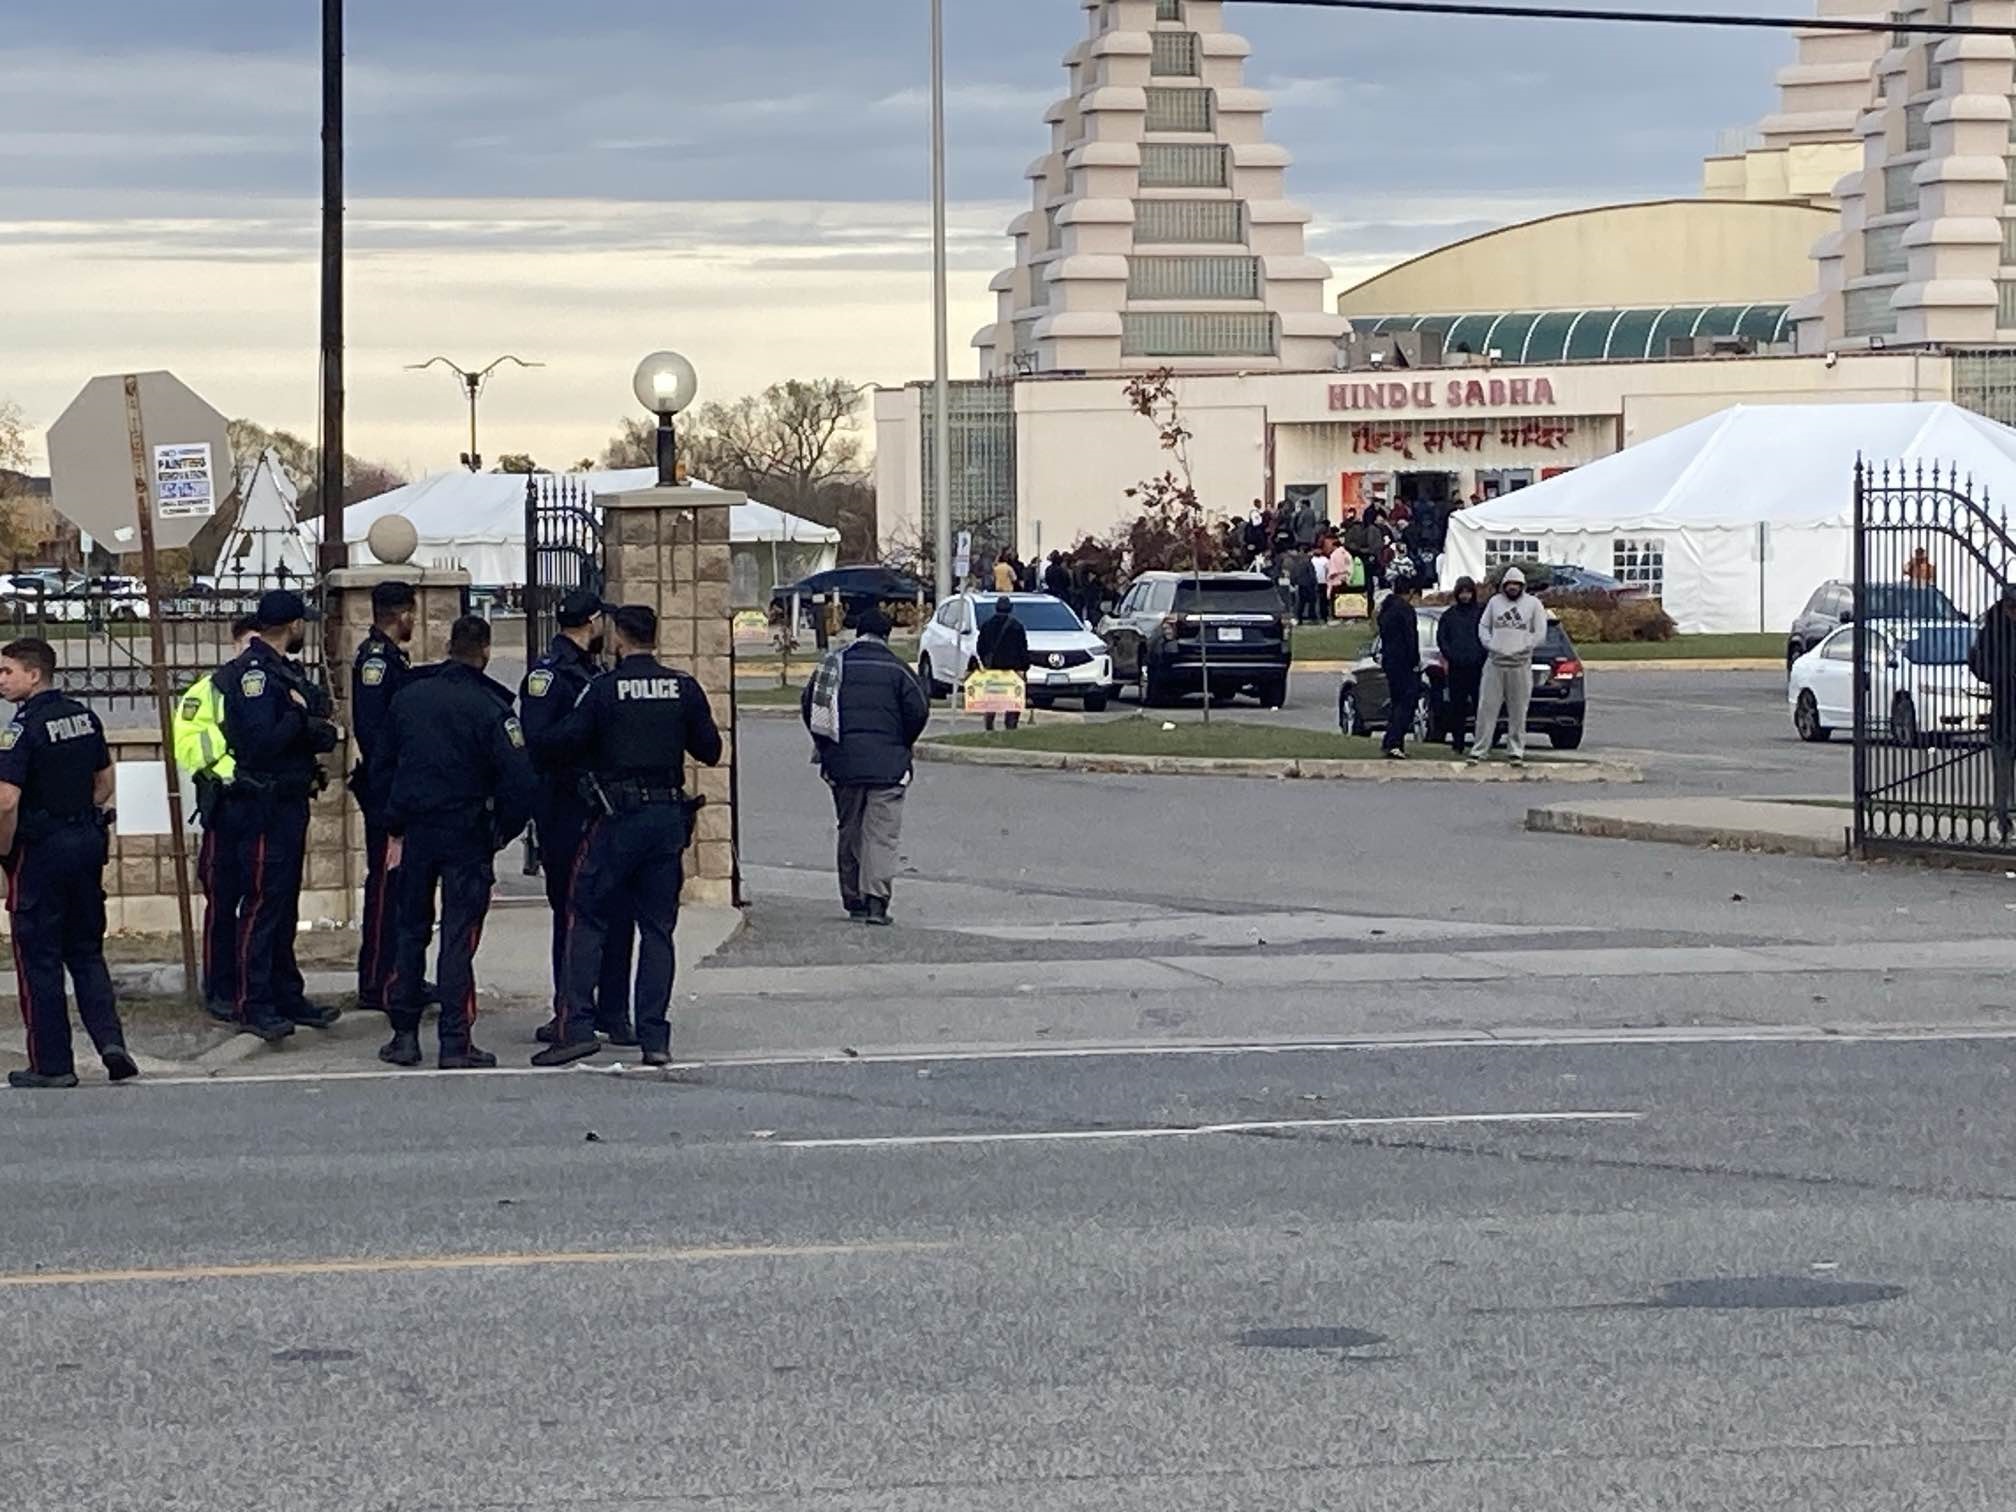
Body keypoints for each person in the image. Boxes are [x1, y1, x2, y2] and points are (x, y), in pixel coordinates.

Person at [530, 605, 723, 1068]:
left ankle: (577, 1026)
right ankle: (654, 1037)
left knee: (586, 915)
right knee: (657, 930)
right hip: (666, 821)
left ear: (618, 639)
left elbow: (558, 743)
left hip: (617, 820)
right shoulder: (682, 686)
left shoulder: (603, 690)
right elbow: (710, 750)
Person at [372, 616, 535, 1070]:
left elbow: (380, 767)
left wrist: (393, 822)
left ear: (449, 646)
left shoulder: (409, 698)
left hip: (416, 832)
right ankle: (454, 1040)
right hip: (466, 834)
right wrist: (500, 833)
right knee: (458, 938)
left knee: (410, 933)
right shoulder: (490, 707)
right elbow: (521, 781)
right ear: (484, 651)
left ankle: (404, 1036)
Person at [0, 638, 132, 1089]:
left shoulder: (22, 727)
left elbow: (5, 800)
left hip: (41, 852)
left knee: (39, 958)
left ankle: (52, 1064)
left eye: (7, 671)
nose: (1, 680)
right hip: (85, 844)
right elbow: (105, 780)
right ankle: (112, 1044)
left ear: (34, 675)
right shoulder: (84, 716)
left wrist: (5, 849)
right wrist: (76, 817)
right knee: (87, 952)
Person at [213, 590, 343, 1041]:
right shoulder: (254, 675)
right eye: (302, 622)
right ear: (291, 626)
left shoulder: (284, 670)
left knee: (284, 904)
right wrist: (301, 722)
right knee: (263, 903)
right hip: (263, 805)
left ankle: (288, 993)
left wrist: (307, 720)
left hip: (290, 799)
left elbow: (323, 714)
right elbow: (260, 742)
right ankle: (254, 1001)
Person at [520, 590, 638, 1048]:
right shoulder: (549, 675)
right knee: (573, 912)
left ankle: (613, 1010)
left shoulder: (596, 673)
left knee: (616, 908)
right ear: (592, 622)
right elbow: (539, 741)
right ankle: (570, 1009)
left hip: (604, 810)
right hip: (566, 808)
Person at [801, 608, 929, 925]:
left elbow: (810, 706)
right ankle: (876, 901)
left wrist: (828, 748)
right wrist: (901, 743)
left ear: (858, 632)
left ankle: (853, 897)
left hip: (842, 763)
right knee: (881, 835)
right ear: (887, 635)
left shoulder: (833, 665)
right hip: (889, 766)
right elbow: (919, 712)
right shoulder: (899, 671)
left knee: (851, 829)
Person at [173, 614, 257, 1020]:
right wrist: (235, 759)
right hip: (227, 805)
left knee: (267, 905)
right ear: (235, 645)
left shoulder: (278, 682)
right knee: (222, 903)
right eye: (249, 643)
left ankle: (258, 987)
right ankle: (220, 989)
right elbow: (189, 747)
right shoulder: (207, 691)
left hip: (266, 808)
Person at [349, 579, 420, 1018]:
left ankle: (399, 972)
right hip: (385, 789)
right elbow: (375, 733)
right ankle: (377, 979)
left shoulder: (392, 657)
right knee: (385, 883)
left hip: (396, 786)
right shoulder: (376, 662)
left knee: (401, 884)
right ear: (404, 615)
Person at [1469, 566, 1547, 765]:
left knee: (1518, 710)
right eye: (1509, 584)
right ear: (1503, 585)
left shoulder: (1534, 604)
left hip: (1520, 664)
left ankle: (1516, 750)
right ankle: (1480, 749)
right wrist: (1490, 644)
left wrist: (1524, 647)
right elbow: (1483, 626)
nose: (1512, 587)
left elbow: (1540, 633)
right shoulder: (1495, 603)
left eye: (1516, 584)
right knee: (1486, 708)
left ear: (1523, 586)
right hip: (1495, 663)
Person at [1969, 585, 2016, 840]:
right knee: (2003, 771)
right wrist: (2005, 675)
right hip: (2003, 710)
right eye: (2012, 608)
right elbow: (1979, 665)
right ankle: (2004, 819)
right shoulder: (1993, 631)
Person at [1437, 576, 1488, 755]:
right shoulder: (1449, 615)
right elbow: (1442, 639)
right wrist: (1451, 656)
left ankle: (1480, 742)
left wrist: (1481, 656)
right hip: (1456, 669)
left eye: (1468, 592)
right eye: (1462, 592)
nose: (1465, 596)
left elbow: (1488, 636)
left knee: (1479, 707)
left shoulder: (1481, 613)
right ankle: (1458, 742)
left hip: (1478, 668)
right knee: (1457, 707)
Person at [1376, 578, 1422, 760]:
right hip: (1404, 662)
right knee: (1406, 703)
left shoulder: (1386, 609)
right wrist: (1415, 660)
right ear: (1410, 591)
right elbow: (1411, 637)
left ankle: (1393, 743)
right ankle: (1394, 741)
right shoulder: (1405, 610)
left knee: (1396, 702)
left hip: (1390, 661)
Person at [975, 595, 1030, 731]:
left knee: (992, 700)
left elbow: (980, 647)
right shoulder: (1017, 626)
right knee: (1013, 701)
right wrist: (1024, 667)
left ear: (996, 608)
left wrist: (986, 662)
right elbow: (1022, 649)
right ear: (1010, 609)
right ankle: (1011, 725)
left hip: (993, 668)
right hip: (1013, 669)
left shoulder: (987, 625)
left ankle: (989, 725)